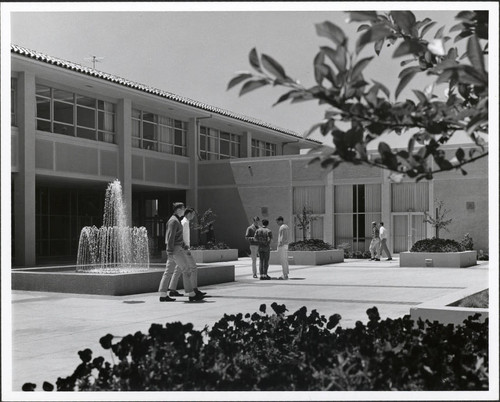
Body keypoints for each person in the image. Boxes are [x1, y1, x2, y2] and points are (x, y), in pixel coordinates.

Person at [158, 202, 205, 302]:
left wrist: (182, 246)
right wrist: (170, 251)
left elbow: (175, 237)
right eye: (183, 208)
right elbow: (170, 237)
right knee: (186, 269)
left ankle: (163, 295)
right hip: (175, 249)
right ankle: (191, 294)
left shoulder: (174, 220)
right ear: (178, 210)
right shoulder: (174, 221)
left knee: (168, 272)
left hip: (175, 249)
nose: (185, 210)